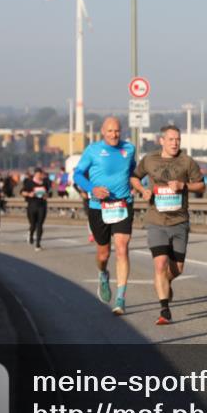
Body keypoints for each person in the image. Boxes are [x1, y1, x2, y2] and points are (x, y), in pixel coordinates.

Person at [130, 125, 206, 325]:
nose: (175, 143)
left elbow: (201, 185)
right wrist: (141, 190)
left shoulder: (187, 161)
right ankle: (164, 309)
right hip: (156, 221)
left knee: (177, 268)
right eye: (171, 139)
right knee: (160, 264)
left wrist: (184, 186)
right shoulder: (149, 159)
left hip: (179, 221)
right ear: (161, 141)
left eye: (178, 140)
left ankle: (166, 281)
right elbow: (134, 177)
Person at [73, 116, 137, 315]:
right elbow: (77, 174)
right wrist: (92, 188)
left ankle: (121, 299)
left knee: (122, 248)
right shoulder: (93, 150)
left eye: (117, 130)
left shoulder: (129, 149)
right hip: (98, 207)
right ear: (103, 131)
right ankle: (102, 273)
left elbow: (134, 172)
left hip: (122, 205)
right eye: (110, 131)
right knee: (103, 254)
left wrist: (141, 187)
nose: (114, 134)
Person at [21, 168, 50, 250]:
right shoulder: (29, 183)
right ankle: (30, 235)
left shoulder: (45, 183)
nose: (40, 176)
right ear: (35, 174)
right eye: (38, 174)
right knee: (33, 224)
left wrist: (46, 195)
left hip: (42, 205)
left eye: (41, 174)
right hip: (32, 205)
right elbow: (22, 192)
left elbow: (49, 193)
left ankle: (38, 243)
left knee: (40, 224)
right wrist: (29, 194)